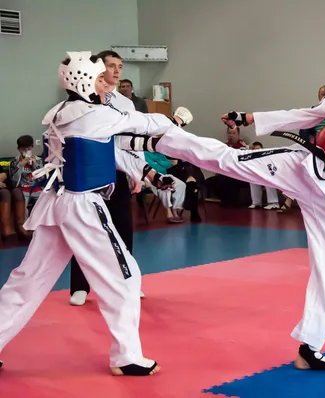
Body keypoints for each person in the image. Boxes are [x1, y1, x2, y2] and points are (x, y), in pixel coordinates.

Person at [118, 42, 325, 370]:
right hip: (306, 169)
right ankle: (159, 136)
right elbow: (304, 115)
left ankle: (310, 349)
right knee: (232, 159)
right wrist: (249, 118)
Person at [0, 51, 193, 375]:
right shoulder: (94, 115)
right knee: (126, 276)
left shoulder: (61, 112)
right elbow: (144, 126)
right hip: (82, 205)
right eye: (102, 78)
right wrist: (175, 121)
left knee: (27, 280)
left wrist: (146, 173)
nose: (108, 84)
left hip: (56, 204)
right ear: (87, 81)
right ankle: (126, 356)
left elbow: (113, 149)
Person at [69, 50, 156, 306]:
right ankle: (80, 287)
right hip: (90, 171)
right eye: (111, 66)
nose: (117, 71)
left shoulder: (126, 103)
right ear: (99, 69)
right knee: (87, 228)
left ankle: (126, 283)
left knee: (122, 227)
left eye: (120, 66)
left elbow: (134, 141)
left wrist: (137, 171)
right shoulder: (84, 99)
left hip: (119, 171)